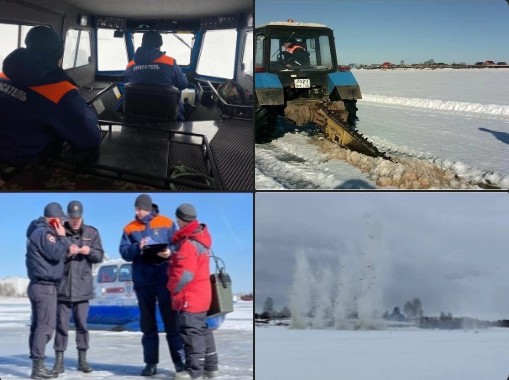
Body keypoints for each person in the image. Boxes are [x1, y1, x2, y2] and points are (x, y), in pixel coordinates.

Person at [0, 26, 101, 164]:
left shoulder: (3, 76)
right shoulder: (60, 94)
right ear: (58, 57)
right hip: (23, 167)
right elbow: (89, 139)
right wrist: (87, 111)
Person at [119, 194, 185, 376]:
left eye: (140, 208)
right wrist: (137, 248)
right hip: (143, 281)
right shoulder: (129, 228)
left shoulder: (166, 222)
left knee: (171, 322)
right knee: (147, 324)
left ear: (149, 208)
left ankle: (180, 362)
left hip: (163, 279)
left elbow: (177, 245)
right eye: (136, 209)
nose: (137, 212)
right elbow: (124, 252)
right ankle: (150, 363)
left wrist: (169, 252)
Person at [52, 200, 104, 374]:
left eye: (78, 217)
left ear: (82, 216)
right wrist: (67, 253)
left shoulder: (91, 232)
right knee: (61, 326)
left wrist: (89, 252)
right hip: (63, 289)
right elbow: (53, 256)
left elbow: (99, 256)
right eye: (73, 217)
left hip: (83, 289)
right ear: (68, 216)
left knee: (82, 325)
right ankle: (59, 361)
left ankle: (82, 360)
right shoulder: (59, 231)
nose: (76, 221)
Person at [168, 204, 219, 380]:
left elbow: (184, 274)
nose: (176, 222)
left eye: (177, 219)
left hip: (190, 297)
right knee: (202, 330)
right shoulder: (200, 239)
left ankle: (193, 371)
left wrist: (171, 289)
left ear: (181, 219)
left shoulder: (188, 244)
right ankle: (211, 368)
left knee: (191, 333)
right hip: (202, 295)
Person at [26, 202, 69, 379]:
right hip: (45, 287)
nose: (63, 224)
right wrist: (63, 238)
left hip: (39, 286)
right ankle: (38, 367)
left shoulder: (37, 232)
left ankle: (38, 365)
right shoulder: (45, 233)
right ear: (53, 220)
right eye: (60, 220)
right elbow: (56, 254)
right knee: (45, 327)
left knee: (38, 326)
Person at [119, 30, 188, 121]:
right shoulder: (170, 62)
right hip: (166, 118)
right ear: (160, 44)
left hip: (136, 116)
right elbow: (183, 84)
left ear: (143, 43)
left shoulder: (130, 65)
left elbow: (126, 85)